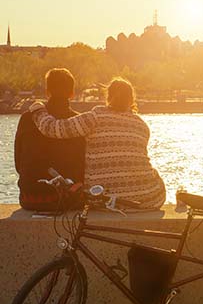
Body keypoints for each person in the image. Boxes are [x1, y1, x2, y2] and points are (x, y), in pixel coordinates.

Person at [29, 77, 165, 209]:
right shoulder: (141, 125)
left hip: (104, 198)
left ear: (108, 97)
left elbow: (53, 129)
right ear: (131, 100)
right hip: (147, 197)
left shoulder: (95, 117)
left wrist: (38, 109)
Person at [15, 68, 85, 211]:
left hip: (30, 198)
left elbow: (18, 163)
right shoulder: (78, 122)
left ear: (47, 91)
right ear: (72, 93)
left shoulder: (27, 118)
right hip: (67, 198)